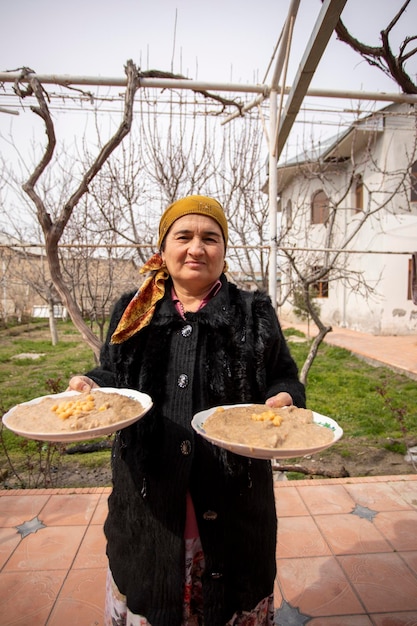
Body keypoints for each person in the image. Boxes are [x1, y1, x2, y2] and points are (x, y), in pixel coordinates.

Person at [69, 195, 306, 626]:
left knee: (227, 600)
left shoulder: (254, 314)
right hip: (148, 501)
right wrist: (91, 386)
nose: (197, 248)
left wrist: (285, 398)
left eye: (210, 238)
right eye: (184, 236)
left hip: (234, 499)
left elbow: (285, 378)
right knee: (152, 591)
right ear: (164, 249)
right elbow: (112, 374)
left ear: (223, 250)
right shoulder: (132, 311)